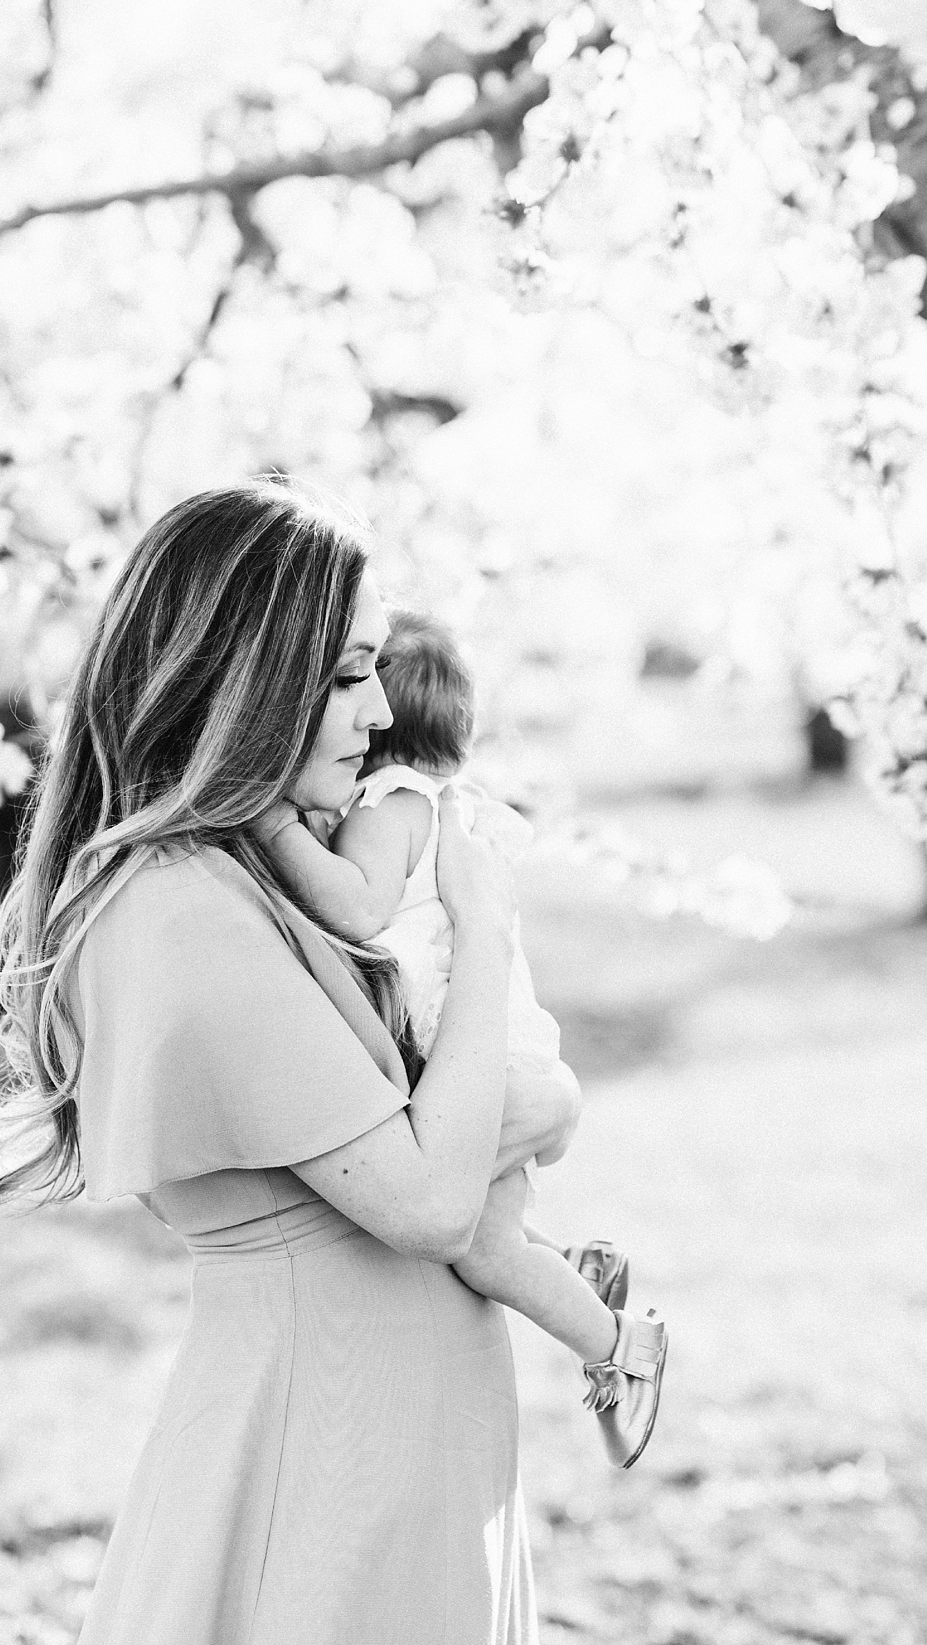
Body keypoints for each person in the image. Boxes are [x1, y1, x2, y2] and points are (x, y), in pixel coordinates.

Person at [0, 483, 584, 1645]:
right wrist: (484, 926)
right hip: (327, 1448)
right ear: (250, 674)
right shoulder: (180, 901)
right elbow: (421, 1202)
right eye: (348, 672)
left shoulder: (254, 865)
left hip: (398, 1430)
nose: (382, 707)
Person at [258, 606, 667, 1468]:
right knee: (489, 1238)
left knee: (472, 1247)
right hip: (504, 1053)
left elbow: (359, 905)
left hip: (478, 1062)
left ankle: (621, 1344)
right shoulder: (452, 807)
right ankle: (576, 1272)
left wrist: (275, 828)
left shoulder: (387, 806)